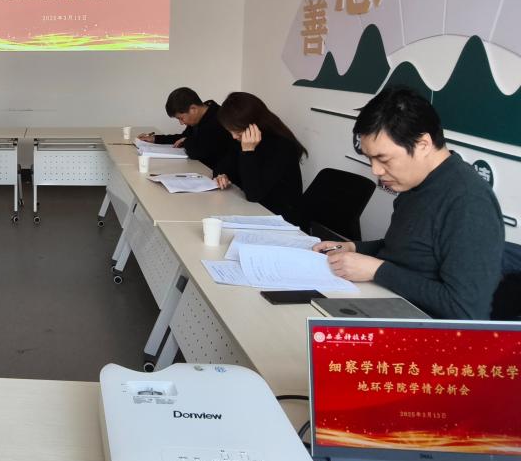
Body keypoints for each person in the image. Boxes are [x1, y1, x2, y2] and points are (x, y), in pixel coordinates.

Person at [314, 87, 503, 319]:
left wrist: (377, 270)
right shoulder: (415, 182)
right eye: (370, 159)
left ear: (423, 144)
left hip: (424, 328)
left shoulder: (468, 201)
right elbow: (406, 247)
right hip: (387, 303)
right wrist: (354, 248)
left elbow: (465, 309)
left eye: (383, 159)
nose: (376, 170)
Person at [215, 92, 306, 226]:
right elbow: (223, 165)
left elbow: (254, 194)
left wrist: (248, 151)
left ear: (253, 125)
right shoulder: (241, 138)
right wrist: (222, 175)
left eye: (237, 132)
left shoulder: (281, 146)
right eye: (230, 131)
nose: (234, 136)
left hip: (279, 219)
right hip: (251, 210)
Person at [139, 88, 236, 175]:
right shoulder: (200, 116)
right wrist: (155, 138)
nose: (181, 123)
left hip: (218, 176)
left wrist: (186, 141)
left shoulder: (217, 120)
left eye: (181, 118)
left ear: (193, 109)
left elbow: (198, 152)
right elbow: (183, 137)